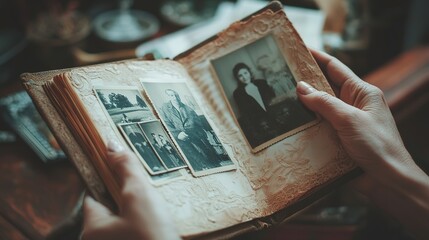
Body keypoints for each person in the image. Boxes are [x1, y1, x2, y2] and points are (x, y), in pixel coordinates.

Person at [81, 49, 429, 240]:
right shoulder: (221, 98)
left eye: (248, 75)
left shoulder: (261, 86)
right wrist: (396, 172)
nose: (245, 78)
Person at [160, 88, 221, 170]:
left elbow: (198, 123)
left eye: (176, 95)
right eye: (171, 95)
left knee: (205, 148)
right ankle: (201, 167)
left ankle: (213, 165)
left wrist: (200, 133)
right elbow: (166, 123)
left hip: (193, 133)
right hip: (178, 135)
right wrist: (177, 134)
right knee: (190, 152)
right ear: (167, 97)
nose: (175, 97)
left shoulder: (187, 108)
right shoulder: (164, 108)